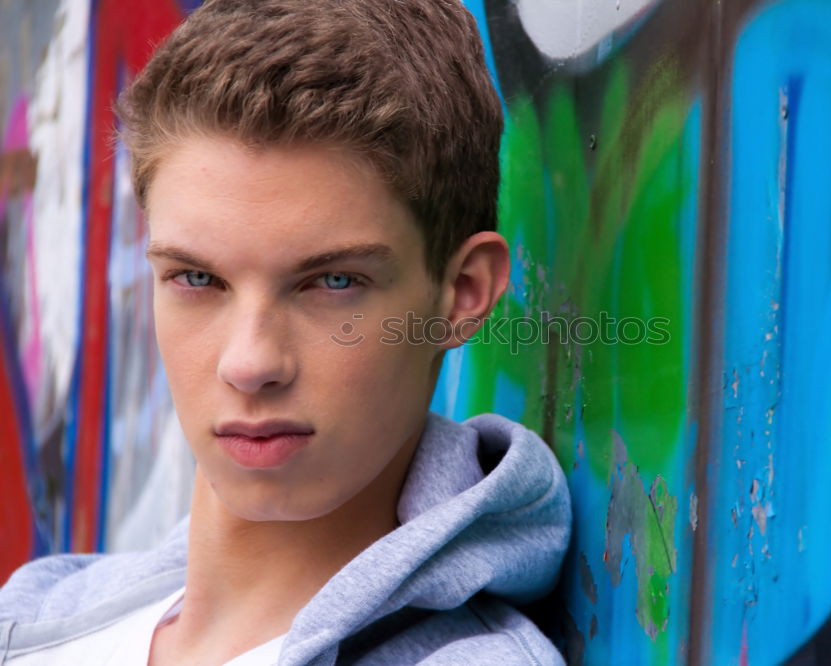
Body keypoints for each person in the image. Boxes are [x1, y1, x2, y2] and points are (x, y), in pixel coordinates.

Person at [0, 1, 571, 664]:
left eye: (332, 283)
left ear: (462, 293)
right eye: (195, 279)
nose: (249, 364)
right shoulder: (35, 616)